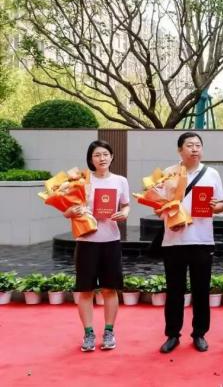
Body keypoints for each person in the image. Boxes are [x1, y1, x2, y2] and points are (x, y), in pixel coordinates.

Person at [159, 132, 223, 354]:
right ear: (180, 150)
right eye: (190, 145)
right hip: (173, 240)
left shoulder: (212, 174)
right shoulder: (168, 173)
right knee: (174, 291)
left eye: (198, 145)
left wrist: (215, 206)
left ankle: (199, 333)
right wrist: (169, 218)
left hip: (202, 240)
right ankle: (172, 334)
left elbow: (221, 205)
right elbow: (158, 205)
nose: (195, 149)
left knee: (201, 290)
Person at [65, 140, 130, 352]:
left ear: (112, 156)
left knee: (110, 289)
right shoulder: (81, 181)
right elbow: (66, 210)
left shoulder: (120, 181)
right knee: (86, 291)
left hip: (111, 241)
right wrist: (71, 212)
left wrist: (124, 213)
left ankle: (109, 331)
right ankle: (88, 333)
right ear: (90, 159)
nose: (102, 158)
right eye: (97, 155)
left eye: (105, 154)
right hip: (86, 241)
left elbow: (126, 205)